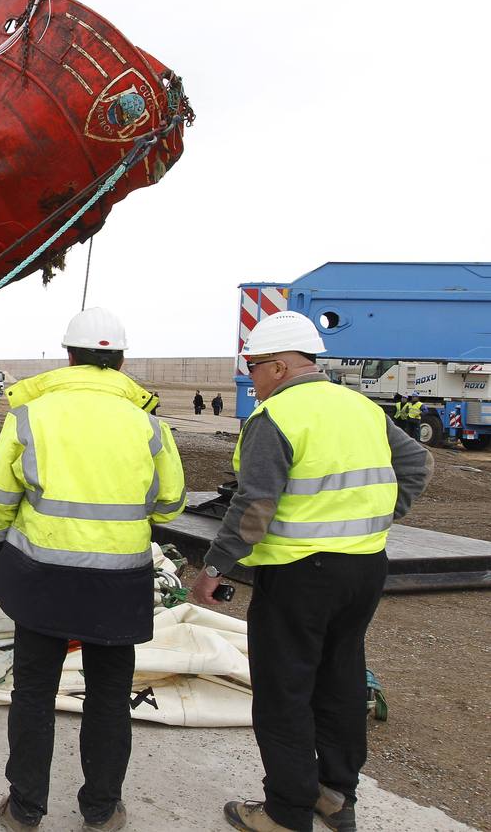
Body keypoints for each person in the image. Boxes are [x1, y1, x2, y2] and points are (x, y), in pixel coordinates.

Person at [187, 311, 431, 832]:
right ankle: (336, 795)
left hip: (299, 574)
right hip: (365, 567)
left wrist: (215, 566)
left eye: (253, 368)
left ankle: (285, 811)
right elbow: (417, 464)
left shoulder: (275, 418)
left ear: (277, 367)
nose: (251, 380)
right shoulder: (360, 407)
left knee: (284, 689)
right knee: (341, 678)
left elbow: (254, 507)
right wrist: (379, 516)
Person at [0, 307, 186, 832]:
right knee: (110, 698)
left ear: (68, 356)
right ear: (119, 359)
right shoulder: (148, 423)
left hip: (42, 576)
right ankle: (101, 810)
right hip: (118, 582)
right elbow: (171, 504)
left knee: (33, 692)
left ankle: (25, 809)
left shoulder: (30, 415)